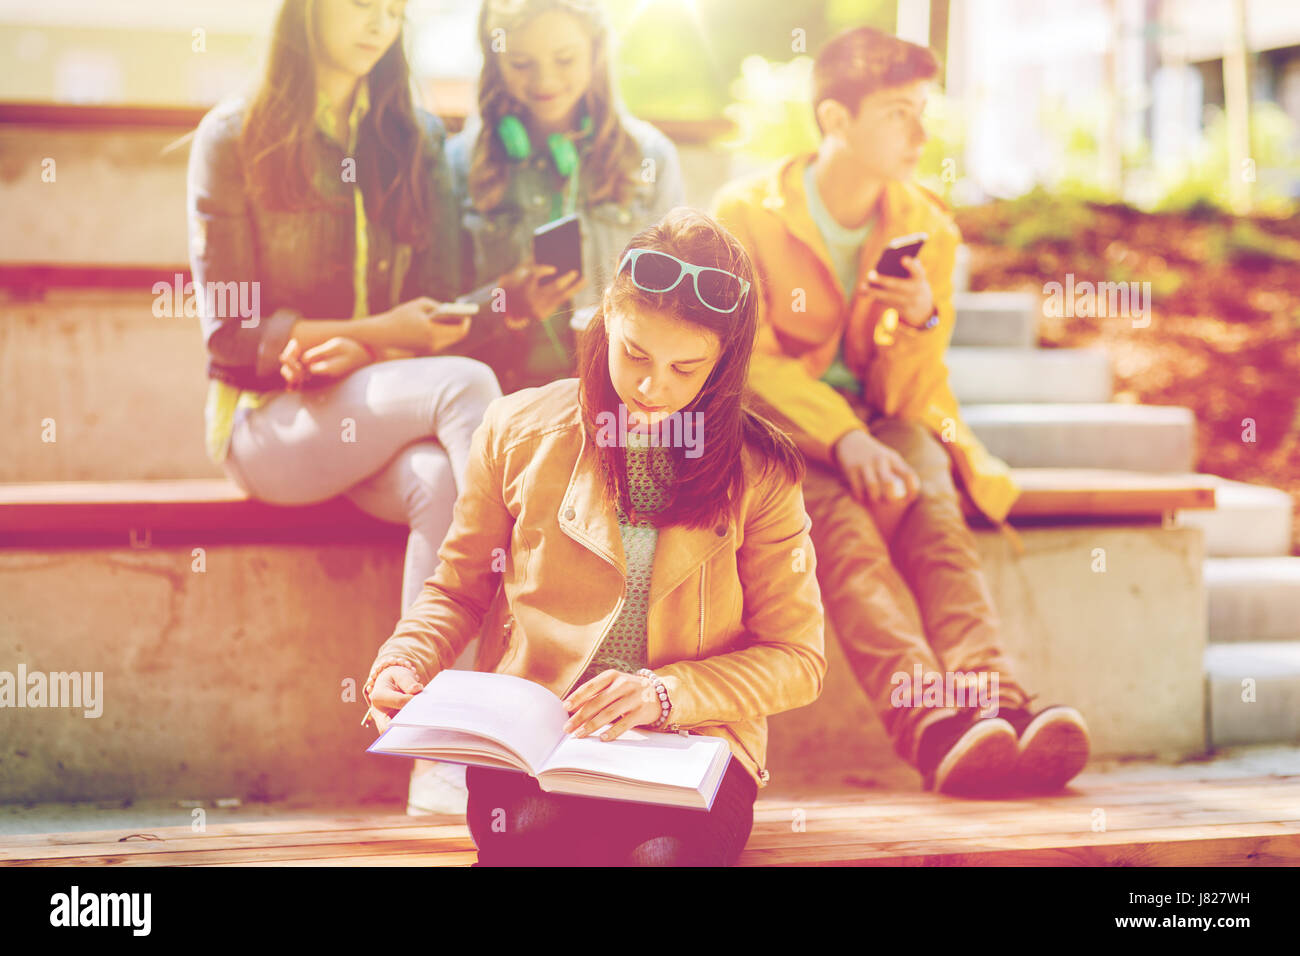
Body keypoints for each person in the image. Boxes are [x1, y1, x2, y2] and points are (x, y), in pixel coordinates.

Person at [361, 207, 827, 865]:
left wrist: (665, 695)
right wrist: (402, 662)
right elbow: (459, 589)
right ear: (607, 313)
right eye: (635, 353)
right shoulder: (515, 432)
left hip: (693, 747)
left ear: (723, 364)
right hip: (538, 742)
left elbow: (797, 658)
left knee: (661, 859)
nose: (651, 387)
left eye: (685, 369)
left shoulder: (763, 474)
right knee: (536, 839)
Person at [711, 26, 1089, 796]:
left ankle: (996, 705)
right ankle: (932, 725)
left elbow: (910, 394)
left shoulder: (929, 228)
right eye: (896, 113)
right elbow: (746, 361)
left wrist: (918, 319)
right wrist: (844, 439)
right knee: (842, 541)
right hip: (776, 430)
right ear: (835, 120)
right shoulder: (746, 212)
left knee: (935, 518)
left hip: (887, 420)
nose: (920, 132)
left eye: (923, 110)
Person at [188, 0, 505, 816]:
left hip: (375, 412)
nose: (380, 23)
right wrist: (376, 330)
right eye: (363, 4)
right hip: (269, 428)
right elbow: (231, 336)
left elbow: (431, 314)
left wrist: (373, 348)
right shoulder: (233, 136)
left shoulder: (417, 139)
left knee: (440, 476)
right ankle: (532, 603)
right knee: (467, 387)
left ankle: (439, 757)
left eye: (395, 11)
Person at [445, 0, 687, 395]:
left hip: (618, 400)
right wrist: (503, 303)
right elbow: (437, 317)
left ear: (595, 52)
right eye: (521, 63)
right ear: (495, 60)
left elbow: (677, 305)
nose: (544, 81)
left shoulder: (650, 157)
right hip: (502, 395)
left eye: (565, 59)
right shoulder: (459, 162)